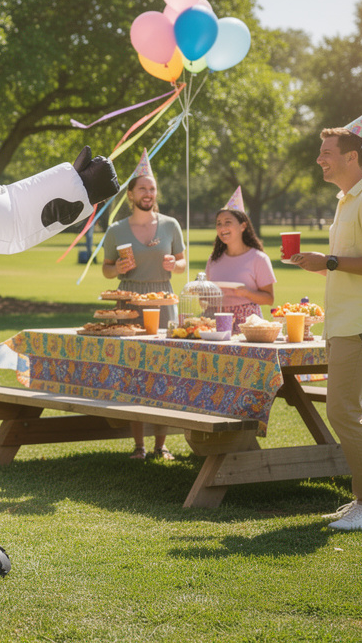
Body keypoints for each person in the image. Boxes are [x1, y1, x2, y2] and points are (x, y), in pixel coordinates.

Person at [291, 107, 362, 532]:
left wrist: (330, 260)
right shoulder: (347, 201)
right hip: (344, 323)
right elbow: (353, 264)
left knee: (342, 411)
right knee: (355, 411)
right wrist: (320, 265)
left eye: (327, 152)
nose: (321, 159)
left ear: (352, 157)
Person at [101, 151, 185, 460]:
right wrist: (118, 270)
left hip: (163, 300)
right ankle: (138, 445)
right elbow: (106, 268)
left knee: (165, 370)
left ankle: (161, 445)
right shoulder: (116, 230)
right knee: (134, 371)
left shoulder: (170, 225)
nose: (148, 194)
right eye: (142, 189)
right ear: (131, 195)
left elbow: (183, 261)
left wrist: (174, 264)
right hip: (129, 303)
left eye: (152, 189)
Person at [204, 187, 275, 321]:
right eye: (218, 224)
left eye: (227, 223)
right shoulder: (213, 259)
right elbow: (209, 296)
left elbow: (269, 298)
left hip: (247, 322)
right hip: (215, 319)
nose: (222, 228)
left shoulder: (258, 259)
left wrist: (247, 292)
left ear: (243, 226)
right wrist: (202, 294)